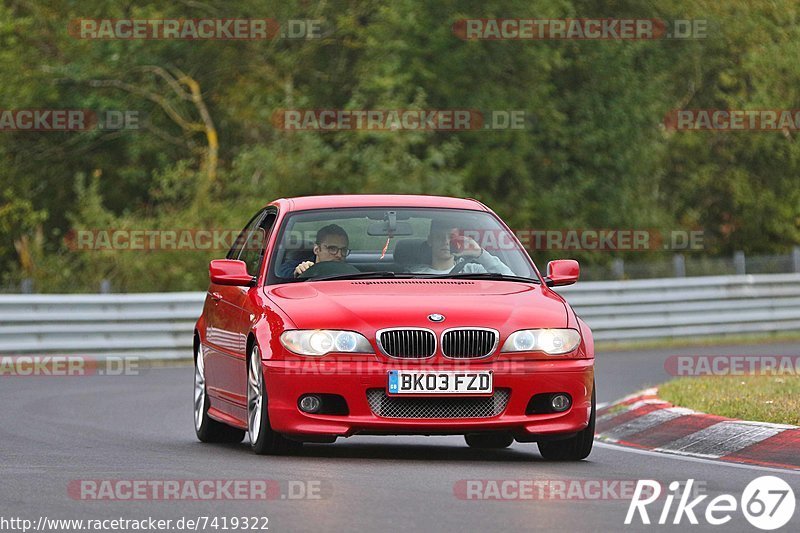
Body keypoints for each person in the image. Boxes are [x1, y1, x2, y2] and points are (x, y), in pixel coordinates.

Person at [409, 220, 515, 275]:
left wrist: (479, 253)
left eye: (452, 237)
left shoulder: (474, 271)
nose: (446, 242)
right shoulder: (415, 275)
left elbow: (510, 279)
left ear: (460, 240)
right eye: (439, 237)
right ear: (430, 240)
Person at [278, 224, 351, 278]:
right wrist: (297, 272)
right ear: (316, 249)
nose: (339, 255)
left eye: (343, 250)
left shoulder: (352, 273)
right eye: (332, 249)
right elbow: (279, 273)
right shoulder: (302, 265)